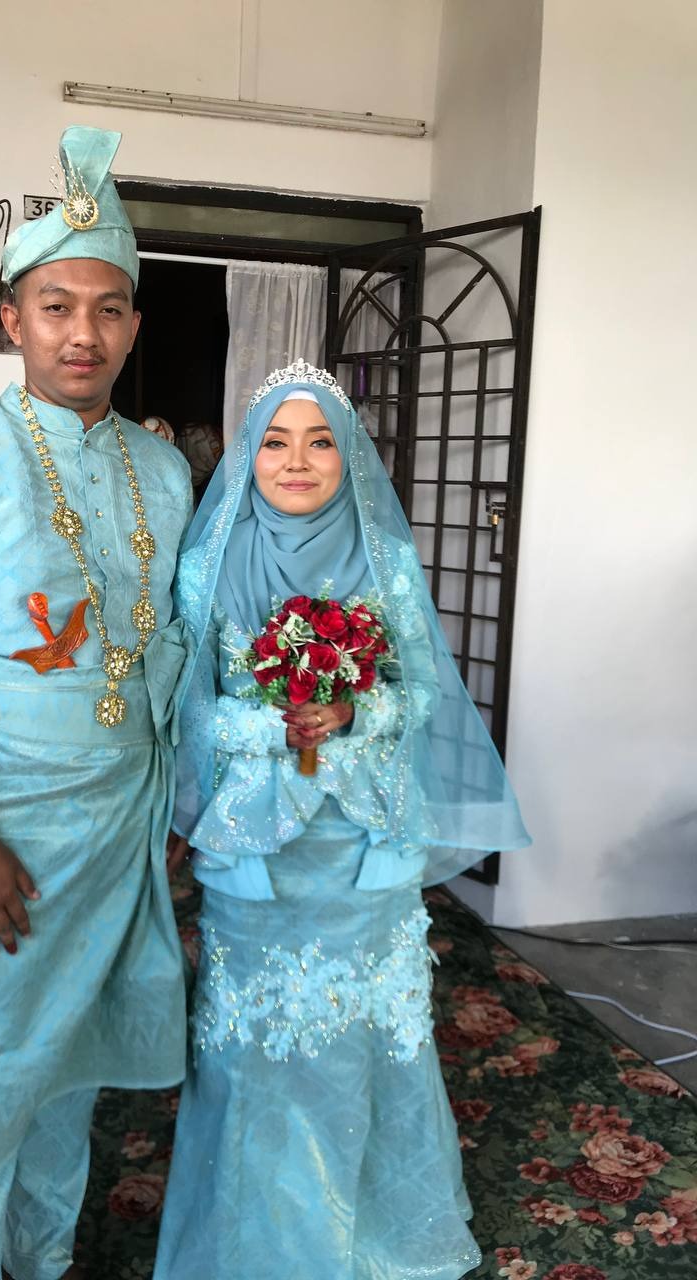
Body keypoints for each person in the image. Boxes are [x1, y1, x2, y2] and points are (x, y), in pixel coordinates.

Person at [0, 125, 193, 1280]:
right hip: (0, 831)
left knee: (71, 1077)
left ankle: (44, 1258)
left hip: (118, 831)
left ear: (134, 327)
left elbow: (168, 646)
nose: (82, 332)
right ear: (10, 319)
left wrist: (174, 804)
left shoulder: (164, 469)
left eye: (107, 309)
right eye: (56, 306)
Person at [153, 360, 531, 1280]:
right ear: (248, 456)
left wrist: (355, 710)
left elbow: (420, 692)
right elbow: (189, 712)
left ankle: (378, 1234)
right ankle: (260, 1247)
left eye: (320, 441)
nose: (297, 461)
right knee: (256, 1054)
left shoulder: (385, 560)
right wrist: (275, 724)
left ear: (348, 454)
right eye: (276, 443)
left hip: (364, 845)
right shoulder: (208, 563)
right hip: (257, 851)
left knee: (370, 1040)